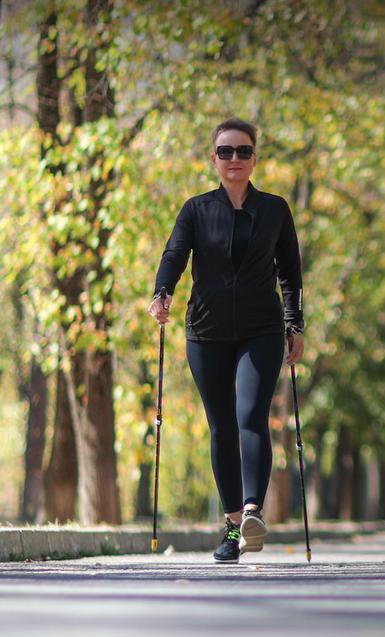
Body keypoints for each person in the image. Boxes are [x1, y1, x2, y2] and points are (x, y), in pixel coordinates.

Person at [148, 118, 304, 564]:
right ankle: (233, 526)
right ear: (213, 159)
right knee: (221, 424)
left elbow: (290, 272)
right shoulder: (196, 209)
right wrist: (163, 293)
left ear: (255, 158)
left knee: (250, 414)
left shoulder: (274, 209)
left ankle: (253, 511)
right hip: (207, 330)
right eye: (226, 151)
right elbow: (174, 254)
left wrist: (295, 324)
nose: (234, 159)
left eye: (243, 151)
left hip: (261, 329)